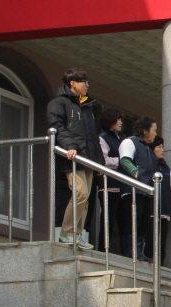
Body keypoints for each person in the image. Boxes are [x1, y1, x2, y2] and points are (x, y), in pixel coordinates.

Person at [46, 68, 103, 249]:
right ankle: (67, 234)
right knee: (80, 194)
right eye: (84, 82)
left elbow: (93, 135)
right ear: (73, 83)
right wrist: (70, 145)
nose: (87, 85)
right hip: (72, 156)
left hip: (88, 158)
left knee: (85, 199)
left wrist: (99, 162)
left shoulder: (87, 105)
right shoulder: (59, 102)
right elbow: (57, 127)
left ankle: (77, 235)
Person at [118, 116, 159, 261]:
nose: (155, 134)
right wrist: (136, 174)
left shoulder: (148, 149)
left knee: (143, 223)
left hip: (146, 192)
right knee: (132, 222)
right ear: (145, 130)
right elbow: (125, 160)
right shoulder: (130, 142)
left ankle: (139, 252)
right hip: (133, 190)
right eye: (154, 130)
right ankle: (131, 251)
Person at [97, 108, 125, 253]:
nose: (121, 122)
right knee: (108, 221)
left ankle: (124, 253)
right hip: (109, 186)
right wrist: (122, 162)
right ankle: (103, 251)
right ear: (110, 121)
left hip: (124, 187)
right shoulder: (102, 138)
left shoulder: (124, 139)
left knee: (124, 223)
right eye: (117, 119)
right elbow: (103, 161)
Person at [147, 137, 171, 266]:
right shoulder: (149, 165)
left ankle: (160, 267)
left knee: (162, 243)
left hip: (164, 210)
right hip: (150, 210)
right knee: (150, 241)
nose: (162, 150)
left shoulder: (166, 167)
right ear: (152, 149)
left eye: (162, 147)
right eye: (159, 147)